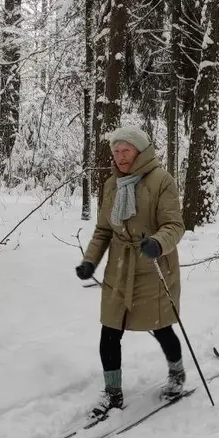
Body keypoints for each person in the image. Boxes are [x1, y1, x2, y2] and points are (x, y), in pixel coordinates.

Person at [75, 126, 186, 420]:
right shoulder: (112, 184)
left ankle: (177, 373)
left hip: (153, 266)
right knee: (109, 330)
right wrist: (90, 262)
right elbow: (103, 230)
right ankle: (113, 393)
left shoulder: (161, 181)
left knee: (161, 327)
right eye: (116, 151)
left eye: (125, 151)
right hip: (119, 268)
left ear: (139, 151)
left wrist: (157, 243)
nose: (120, 157)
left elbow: (175, 226)